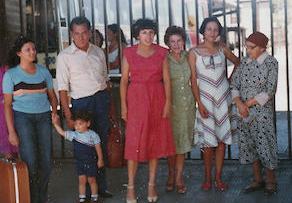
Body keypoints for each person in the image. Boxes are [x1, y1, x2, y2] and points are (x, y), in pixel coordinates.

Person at [56, 16, 113, 199]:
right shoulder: (64, 57)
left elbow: (105, 81)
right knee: (84, 146)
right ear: (71, 34)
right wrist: (68, 115)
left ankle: (100, 188)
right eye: (77, 34)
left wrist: (110, 106)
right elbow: (63, 89)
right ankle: (86, 192)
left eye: (84, 33)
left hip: (101, 99)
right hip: (82, 104)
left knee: (100, 144)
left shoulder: (99, 52)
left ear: (90, 33)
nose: (81, 38)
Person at [120, 19, 175, 203]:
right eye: (144, 32)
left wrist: (167, 103)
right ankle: (131, 187)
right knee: (134, 143)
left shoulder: (161, 52)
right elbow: (123, 82)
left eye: (151, 32)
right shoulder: (128, 53)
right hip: (136, 99)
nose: (148, 36)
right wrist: (124, 105)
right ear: (137, 34)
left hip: (157, 97)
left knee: (155, 142)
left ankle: (151, 185)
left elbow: (166, 79)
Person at [3, 37, 58, 203]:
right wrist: (11, 132)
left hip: (43, 118)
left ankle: (41, 198)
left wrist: (54, 112)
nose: (32, 52)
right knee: (31, 162)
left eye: (33, 49)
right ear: (19, 53)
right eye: (28, 49)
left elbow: (52, 97)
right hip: (23, 118)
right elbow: (7, 106)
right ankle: (32, 199)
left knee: (45, 162)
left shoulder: (43, 71)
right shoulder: (10, 75)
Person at [188, 17, 240, 191]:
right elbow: (193, 82)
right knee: (208, 142)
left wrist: (229, 80)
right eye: (209, 29)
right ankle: (207, 177)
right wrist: (199, 104)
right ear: (203, 31)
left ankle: (218, 177)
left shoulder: (222, 48)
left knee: (221, 141)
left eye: (216, 29)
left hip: (223, 99)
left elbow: (238, 62)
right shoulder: (193, 52)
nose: (212, 32)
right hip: (205, 101)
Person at [230, 32, 278, 196]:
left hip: (260, 113)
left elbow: (269, 90)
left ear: (263, 47)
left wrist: (246, 104)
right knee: (248, 145)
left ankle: (271, 180)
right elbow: (234, 84)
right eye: (246, 47)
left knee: (265, 144)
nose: (248, 50)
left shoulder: (271, 63)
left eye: (252, 47)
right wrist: (238, 103)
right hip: (244, 113)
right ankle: (258, 179)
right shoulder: (244, 62)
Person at [164, 26, 196, 194]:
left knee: (183, 143)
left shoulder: (188, 56)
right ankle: (170, 174)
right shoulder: (164, 58)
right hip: (172, 105)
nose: (176, 45)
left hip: (188, 105)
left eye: (179, 41)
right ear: (167, 43)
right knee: (172, 144)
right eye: (172, 41)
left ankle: (179, 177)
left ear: (184, 41)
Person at [52, 109, 103, 203]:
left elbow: (98, 148)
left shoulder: (93, 135)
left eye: (80, 124)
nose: (78, 127)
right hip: (80, 162)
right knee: (82, 181)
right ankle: (82, 197)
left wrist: (100, 159)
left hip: (91, 162)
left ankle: (95, 197)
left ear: (88, 123)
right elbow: (62, 133)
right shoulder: (74, 135)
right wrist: (56, 124)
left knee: (92, 180)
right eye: (76, 124)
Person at [0, 63, 19, 159]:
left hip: (12, 109)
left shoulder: (5, 70)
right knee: (7, 143)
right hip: (4, 113)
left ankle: (20, 173)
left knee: (18, 143)